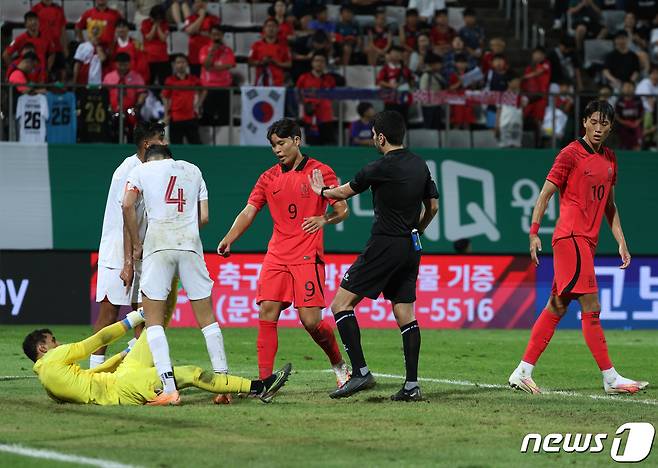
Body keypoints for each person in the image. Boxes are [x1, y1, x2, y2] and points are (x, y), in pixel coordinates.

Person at [508, 100, 649, 396]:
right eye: (594, 122)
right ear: (584, 121)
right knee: (592, 307)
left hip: (587, 241)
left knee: (557, 306)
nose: (599, 129)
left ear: (611, 128)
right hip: (570, 237)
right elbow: (545, 194)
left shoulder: (610, 158)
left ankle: (523, 371)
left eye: (605, 124)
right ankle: (610, 378)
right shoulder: (570, 153)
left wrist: (621, 240)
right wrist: (533, 233)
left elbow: (610, 205)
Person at [308, 111, 439, 401]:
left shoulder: (378, 167)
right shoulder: (421, 165)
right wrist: (417, 229)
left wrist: (322, 190)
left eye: (373, 134)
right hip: (409, 246)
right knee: (406, 314)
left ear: (380, 137)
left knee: (341, 305)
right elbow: (433, 207)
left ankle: (360, 372)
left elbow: (344, 192)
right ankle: (411, 386)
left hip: (384, 244)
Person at [216, 119, 351, 388]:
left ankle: (339, 365)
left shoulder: (320, 172)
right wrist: (229, 238)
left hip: (306, 254)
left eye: (282, 143)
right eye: (273, 145)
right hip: (277, 254)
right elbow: (249, 211)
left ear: (297, 141)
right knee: (267, 311)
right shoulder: (268, 178)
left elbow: (342, 210)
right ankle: (264, 380)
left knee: (311, 321)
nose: (277, 150)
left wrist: (323, 220)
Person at [122, 144, 231, 405]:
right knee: (207, 319)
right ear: (170, 157)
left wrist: (137, 242)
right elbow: (204, 217)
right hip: (190, 242)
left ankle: (169, 389)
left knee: (155, 322)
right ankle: (223, 385)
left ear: (149, 159)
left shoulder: (142, 170)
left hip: (158, 243)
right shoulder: (193, 170)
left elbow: (127, 205)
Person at [23, 316, 292, 405]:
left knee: (154, 326)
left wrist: (122, 355)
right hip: (124, 388)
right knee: (191, 374)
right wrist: (132, 319)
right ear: (42, 348)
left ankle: (164, 288)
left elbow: (89, 377)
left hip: (118, 379)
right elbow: (95, 340)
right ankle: (259, 387)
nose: (58, 344)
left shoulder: (48, 382)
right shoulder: (53, 358)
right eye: (53, 341)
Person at [91, 122, 167, 369]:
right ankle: (94, 369)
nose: (165, 144)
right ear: (148, 143)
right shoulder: (129, 169)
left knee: (144, 315)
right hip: (118, 253)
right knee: (108, 315)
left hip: (141, 251)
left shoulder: (152, 169)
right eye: (161, 139)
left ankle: (138, 372)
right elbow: (127, 213)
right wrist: (128, 262)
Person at [163, 54, 205, 144]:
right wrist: (166, 114)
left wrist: (198, 104)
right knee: (176, 147)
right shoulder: (170, 80)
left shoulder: (193, 79)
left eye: (183, 62)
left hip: (191, 117)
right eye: (178, 62)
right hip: (175, 118)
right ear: (174, 65)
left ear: (187, 64)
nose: (180, 65)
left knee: (196, 146)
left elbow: (204, 90)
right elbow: (165, 97)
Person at [296, 53, 336, 146]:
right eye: (317, 60)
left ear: (325, 64)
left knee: (328, 145)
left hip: (326, 117)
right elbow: (298, 96)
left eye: (322, 61)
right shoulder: (303, 78)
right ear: (312, 63)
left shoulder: (330, 79)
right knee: (312, 145)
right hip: (310, 117)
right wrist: (303, 111)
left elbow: (333, 97)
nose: (319, 63)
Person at [199, 25, 235, 126]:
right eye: (214, 34)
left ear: (222, 36)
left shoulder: (228, 50)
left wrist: (211, 68)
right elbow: (205, 65)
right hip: (208, 89)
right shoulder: (204, 49)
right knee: (207, 118)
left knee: (224, 119)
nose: (216, 37)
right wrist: (211, 52)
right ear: (210, 35)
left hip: (224, 88)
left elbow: (228, 65)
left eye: (218, 35)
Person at [3, 12, 53, 84]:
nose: (33, 22)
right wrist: (17, 69)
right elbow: (5, 55)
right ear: (25, 24)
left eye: (35, 20)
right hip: (25, 75)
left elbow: (52, 53)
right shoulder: (19, 39)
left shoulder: (46, 37)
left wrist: (48, 69)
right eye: (30, 20)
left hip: (41, 72)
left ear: (39, 22)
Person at [30, 0, 67, 82]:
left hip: (57, 47)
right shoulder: (35, 9)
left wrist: (65, 47)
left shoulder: (59, 9)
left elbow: (63, 28)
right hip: (42, 48)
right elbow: (31, 28)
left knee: (62, 74)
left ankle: (60, 93)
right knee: (43, 73)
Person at [249, 18, 292, 86]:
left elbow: (289, 64)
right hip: (261, 82)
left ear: (278, 29)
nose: (271, 28)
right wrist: (261, 62)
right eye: (268, 26)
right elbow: (250, 62)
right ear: (264, 29)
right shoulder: (256, 45)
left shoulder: (284, 46)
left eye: (273, 26)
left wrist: (276, 63)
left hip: (278, 83)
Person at [183, 0, 220, 76]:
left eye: (202, 1)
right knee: (196, 81)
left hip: (209, 55)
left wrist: (197, 31)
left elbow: (217, 34)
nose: (200, 4)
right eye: (197, 2)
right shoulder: (190, 18)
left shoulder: (214, 18)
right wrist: (201, 17)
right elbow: (189, 31)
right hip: (194, 55)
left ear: (206, 3)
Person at [141, 4, 170, 87]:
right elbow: (148, 37)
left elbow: (163, 38)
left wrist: (158, 26)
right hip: (149, 58)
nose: (158, 20)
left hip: (163, 58)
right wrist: (154, 26)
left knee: (164, 84)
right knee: (149, 83)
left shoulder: (164, 24)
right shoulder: (145, 23)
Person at [615, 81, 644, 150]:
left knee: (638, 135)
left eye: (630, 86)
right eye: (626, 86)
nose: (628, 88)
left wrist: (638, 122)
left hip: (636, 125)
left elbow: (642, 113)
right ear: (622, 89)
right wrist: (625, 123)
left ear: (634, 89)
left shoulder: (638, 100)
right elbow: (616, 116)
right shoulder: (619, 101)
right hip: (623, 125)